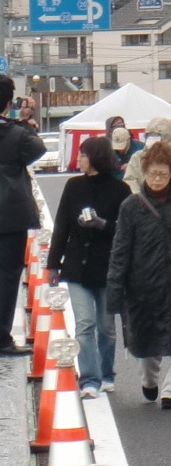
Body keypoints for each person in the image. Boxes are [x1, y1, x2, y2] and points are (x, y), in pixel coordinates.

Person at [104, 137, 171, 406]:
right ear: (144, 173)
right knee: (146, 343)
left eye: (163, 174)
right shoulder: (131, 207)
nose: (157, 179)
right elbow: (120, 250)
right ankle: (150, 380)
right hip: (141, 285)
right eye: (153, 173)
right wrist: (115, 288)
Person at [48, 135, 129, 393]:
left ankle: (107, 374)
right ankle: (89, 379)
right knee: (84, 324)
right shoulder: (73, 186)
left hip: (107, 267)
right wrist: (53, 264)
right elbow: (61, 226)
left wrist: (101, 224)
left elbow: (126, 231)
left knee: (106, 327)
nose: (79, 159)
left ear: (95, 158)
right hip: (76, 266)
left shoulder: (121, 190)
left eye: (83, 155)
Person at [0, 77, 45, 355]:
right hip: (11, 214)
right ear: (8, 103)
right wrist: (22, 122)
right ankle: (2, 337)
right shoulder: (17, 134)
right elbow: (37, 149)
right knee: (7, 275)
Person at [126, 117, 171, 189]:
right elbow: (129, 181)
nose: (152, 138)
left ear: (166, 137)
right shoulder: (137, 157)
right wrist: (139, 198)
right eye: (150, 135)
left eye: (156, 136)